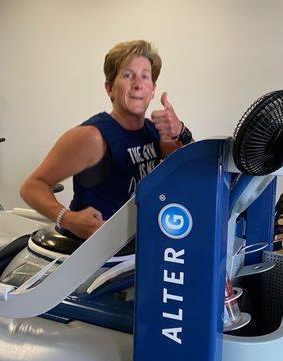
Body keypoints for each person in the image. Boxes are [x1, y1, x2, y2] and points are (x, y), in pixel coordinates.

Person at [20, 40, 193, 239]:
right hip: (89, 253)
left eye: (145, 77)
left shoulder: (153, 131)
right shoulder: (91, 136)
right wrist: (67, 218)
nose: (137, 84)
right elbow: (32, 186)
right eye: (128, 75)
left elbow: (193, 167)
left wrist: (180, 129)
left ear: (153, 90)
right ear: (110, 88)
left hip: (132, 247)